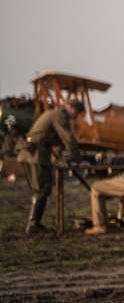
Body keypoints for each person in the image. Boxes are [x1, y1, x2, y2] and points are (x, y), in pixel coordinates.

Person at [19, 100, 83, 234]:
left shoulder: (53, 113)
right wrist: (77, 156)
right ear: (70, 108)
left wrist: (63, 153)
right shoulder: (59, 115)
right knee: (41, 189)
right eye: (76, 112)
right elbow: (68, 137)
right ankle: (33, 225)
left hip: (34, 153)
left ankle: (34, 223)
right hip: (35, 154)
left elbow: (56, 140)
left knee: (44, 187)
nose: (76, 116)